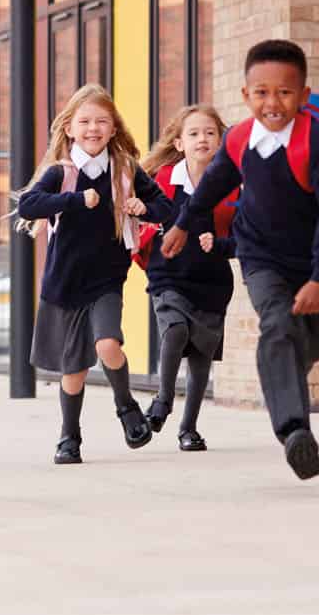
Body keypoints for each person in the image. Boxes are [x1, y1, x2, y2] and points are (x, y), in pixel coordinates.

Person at [162, 40, 319, 480]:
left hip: (309, 260)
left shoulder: (316, 143)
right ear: (246, 95)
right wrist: (183, 223)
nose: (272, 102)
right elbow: (213, 185)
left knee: (303, 340)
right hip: (259, 254)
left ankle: (305, 350)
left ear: (304, 96)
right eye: (261, 92)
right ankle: (294, 431)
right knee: (277, 325)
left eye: (284, 92)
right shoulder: (240, 137)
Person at [15, 84, 174, 465]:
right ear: (69, 127)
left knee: (107, 344)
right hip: (64, 282)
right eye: (84, 121)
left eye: (102, 121)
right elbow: (28, 204)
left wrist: (142, 208)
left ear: (114, 128)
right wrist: (73, 201)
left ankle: (126, 407)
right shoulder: (62, 172)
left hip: (106, 280)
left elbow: (166, 207)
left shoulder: (126, 170)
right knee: (75, 370)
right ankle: (69, 437)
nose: (93, 128)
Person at [138, 105, 236, 451]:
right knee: (176, 329)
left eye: (210, 132)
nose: (202, 139)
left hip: (212, 280)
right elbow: (140, 212)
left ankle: (189, 429)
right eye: (194, 133)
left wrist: (223, 245)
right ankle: (162, 401)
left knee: (201, 358)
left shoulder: (233, 185)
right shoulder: (162, 180)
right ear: (179, 143)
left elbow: (247, 235)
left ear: (221, 141)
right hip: (168, 273)